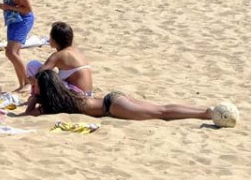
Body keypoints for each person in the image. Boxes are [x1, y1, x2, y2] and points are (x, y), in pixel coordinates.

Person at [27, 71, 234, 125]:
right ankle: (203, 111)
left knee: (162, 114)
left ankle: (204, 114)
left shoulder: (55, 104)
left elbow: (29, 115)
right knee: (162, 108)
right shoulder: (67, 94)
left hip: (112, 106)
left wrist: (31, 102)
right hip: (113, 97)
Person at [32, 21, 93, 95]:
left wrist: (30, 81)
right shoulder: (77, 51)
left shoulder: (58, 55)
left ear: (54, 40)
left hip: (77, 98)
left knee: (33, 66)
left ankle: (35, 96)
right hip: (89, 95)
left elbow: (40, 74)